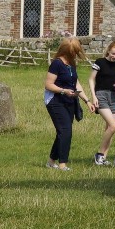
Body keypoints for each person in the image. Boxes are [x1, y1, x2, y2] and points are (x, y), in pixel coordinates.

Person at [43, 37, 85, 170]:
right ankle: (62, 164)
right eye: (72, 52)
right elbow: (48, 84)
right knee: (66, 131)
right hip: (56, 101)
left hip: (70, 101)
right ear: (66, 51)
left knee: (62, 131)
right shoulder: (57, 63)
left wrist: (87, 100)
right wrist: (63, 91)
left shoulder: (72, 64)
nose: (74, 55)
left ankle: (50, 162)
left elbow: (76, 83)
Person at [89, 39, 115, 167]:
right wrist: (94, 97)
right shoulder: (100, 62)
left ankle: (103, 158)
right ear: (108, 51)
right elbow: (91, 79)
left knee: (109, 128)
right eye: (113, 53)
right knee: (114, 126)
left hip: (114, 97)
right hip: (101, 95)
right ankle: (99, 154)